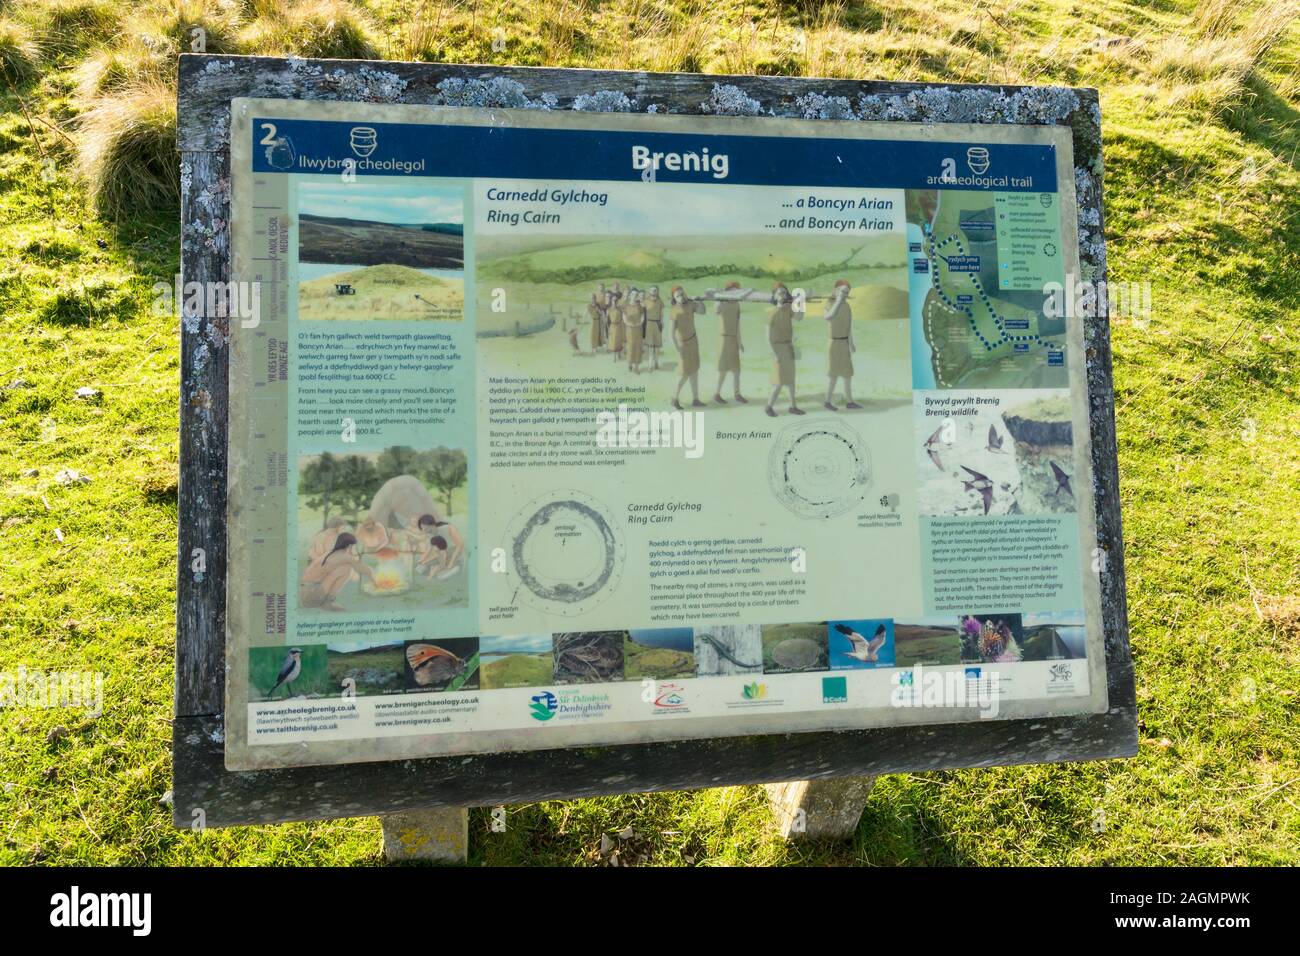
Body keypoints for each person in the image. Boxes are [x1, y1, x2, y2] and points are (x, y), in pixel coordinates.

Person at [299, 533, 376, 610]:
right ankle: (328, 603)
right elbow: (362, 569)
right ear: (349, 546)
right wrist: (372, 575)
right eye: (352, 547)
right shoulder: (344, 557)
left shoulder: (330, 553)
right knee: (346, 568)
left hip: (305, 596)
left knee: (341, 568)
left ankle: (326, 602)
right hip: (312, 595)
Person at [765, 283, 803, 416]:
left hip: (788, 346)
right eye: (779, 293)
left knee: (791, 379)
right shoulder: (772, 313)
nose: (782, 295)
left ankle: (793, 406)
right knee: (779, 381)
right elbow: (768, 337)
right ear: (774, 296)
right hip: (778, 348)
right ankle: (769, 406)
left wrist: (800, 303)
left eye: (784, 293)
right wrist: (775, 354)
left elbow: (799, 318)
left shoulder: (788, 309)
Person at [824, 279, 861, 410]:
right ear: (836, 290)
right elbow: (828, 317)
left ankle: (849, 401)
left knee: (847, 374)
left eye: (847, 292)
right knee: (833, 374)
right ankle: (827, 402)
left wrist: (851, 343)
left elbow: (848, 326)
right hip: (834, 343)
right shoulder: (830, 303)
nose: (844, 294)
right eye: (842, 291)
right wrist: (838, 302)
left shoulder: (847, 306)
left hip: (844, 343)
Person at [670, 286, 705, 409]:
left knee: (695, 371)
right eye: (678, 296)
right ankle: (674, 398)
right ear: (674, 299)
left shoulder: (691, 304)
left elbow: (702, 311)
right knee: (684, 373)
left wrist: (700, 301)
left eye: (682, 294)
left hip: (693, 341)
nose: (681, 297)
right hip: (682, 345)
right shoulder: (674, 311)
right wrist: (677, 349)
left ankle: (695, 399)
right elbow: (671, 334)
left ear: (685, 293)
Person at [714, 281, 746, 404]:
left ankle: (737, 394)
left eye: (737, 290)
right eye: (732, 290)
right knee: (722, 369)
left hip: (733, 338)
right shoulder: (721, 302)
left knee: (736, 370)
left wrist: (740, 341)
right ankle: (716, 394)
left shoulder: (737, 305)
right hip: (723, 339)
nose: (735, 292)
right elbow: (716, 311)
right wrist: (719, 298)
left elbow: (738, 325)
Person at [624, 288, 645, 373]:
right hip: (629, 329)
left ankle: (636, 367)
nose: (634, 296)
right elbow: (624, 317)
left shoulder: (639, 305)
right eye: (633, 294)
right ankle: (629, 364)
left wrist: (640, 322)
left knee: (637, 347)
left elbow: (643, 315)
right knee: (630, 346)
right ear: (629, 295)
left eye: (636, 295)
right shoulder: (626, 305)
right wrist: (629, 324)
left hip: (638, 328)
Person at [643, 285, 664, 369]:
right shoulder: (646, 301)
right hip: (649, 324)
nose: (653, 291)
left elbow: (661, 313)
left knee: (657, 345)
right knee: (651, 346)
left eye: (655, 290)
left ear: (657, 291)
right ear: (649, 291)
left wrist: (662, 322)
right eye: (652, 290)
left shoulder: (660, 301)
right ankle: (650, 364)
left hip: (657, 324)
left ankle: (656, 362)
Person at [608, 288, 626, 361]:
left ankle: (619, 354)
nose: (614, 302)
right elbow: (607, 321)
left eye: (616, 300)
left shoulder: (620, 309)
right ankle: (614, 357)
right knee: (613, 341)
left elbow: (624, 316)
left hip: (619, 326)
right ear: (611, 301)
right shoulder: (609, 309)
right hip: (612, 326)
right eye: (613, 300)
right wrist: (609, 328)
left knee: (619, 340)